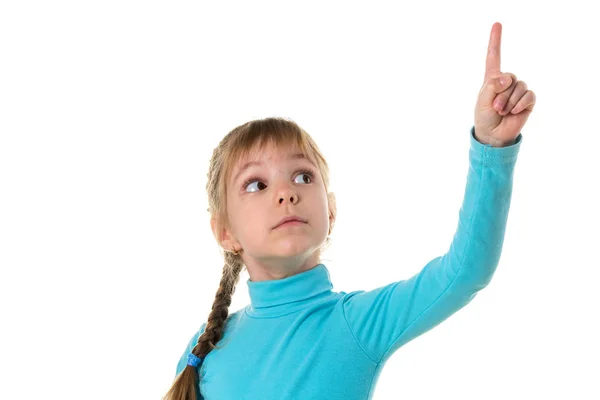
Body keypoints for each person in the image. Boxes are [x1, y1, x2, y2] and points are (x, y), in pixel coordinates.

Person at [161, 22, 536, 400]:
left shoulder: (358, 323)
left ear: (332, 211)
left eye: (303, 176)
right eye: (257, 184)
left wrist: (491, 147)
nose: (286, 193)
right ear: (225, 231)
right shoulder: (203, 352)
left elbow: (465, 270)